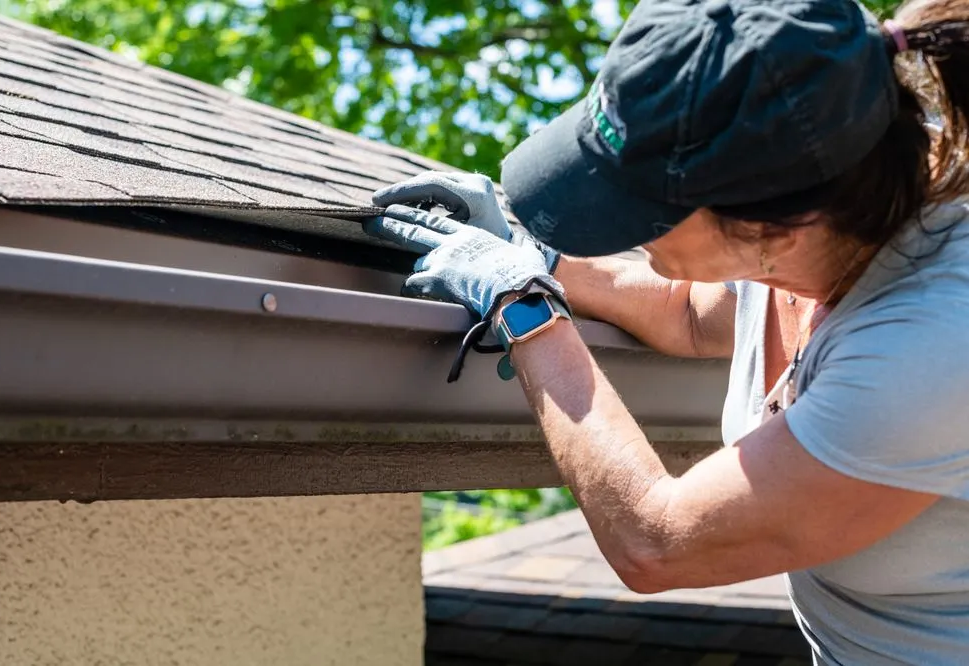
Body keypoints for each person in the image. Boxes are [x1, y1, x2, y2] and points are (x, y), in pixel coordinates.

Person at [364, 0, 969, 662]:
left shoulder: (931, 339)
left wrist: (523, 305)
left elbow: (657, 542)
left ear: (771, 227)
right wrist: (539, 258)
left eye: (639, 205)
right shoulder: (829, 230)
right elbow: (687, 310)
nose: (619, 225)